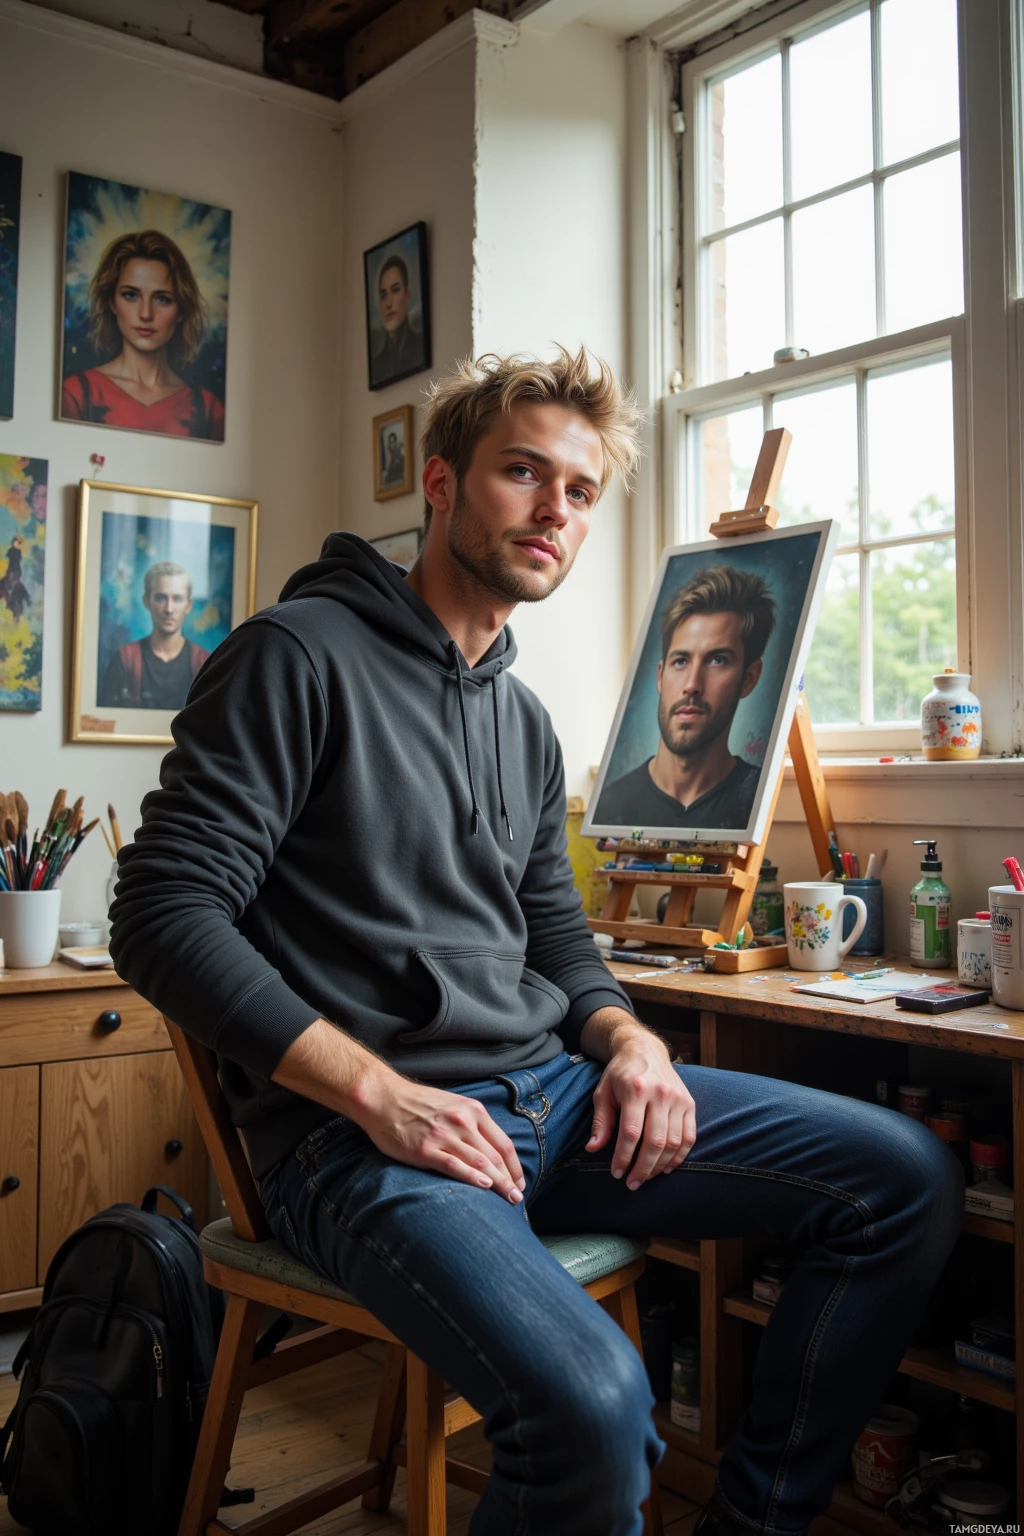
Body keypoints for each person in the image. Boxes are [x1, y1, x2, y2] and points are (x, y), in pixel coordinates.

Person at [110, 348, 962, 1536]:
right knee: (592, 1410)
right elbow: (160, 912)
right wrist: (379, 1094)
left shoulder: (521, 717)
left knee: (902, 1180)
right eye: (523, 472)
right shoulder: (294, 656)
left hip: (551, 1101)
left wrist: (628, 1040)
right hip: (366, 1142)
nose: (554, 509)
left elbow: (554, 932)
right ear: (442, 485)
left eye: (579, 490)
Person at [594, 566, 775, 831]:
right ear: (660, 676)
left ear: (749, 678)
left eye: (717, 660)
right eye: (680, 661)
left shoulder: (756, 798)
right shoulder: (611, 805)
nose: (691, 685)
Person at [61, 229, 225, 441]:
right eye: (131, 295)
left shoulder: (209, 409)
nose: (146, 314)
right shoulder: (75, 394)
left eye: (162, 299)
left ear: (181, 311)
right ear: (112, 302)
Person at [99, 560, 209, 711]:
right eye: (161, 598)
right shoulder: (125, 659)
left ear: (188, 605)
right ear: (146, 601)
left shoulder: (204, 663)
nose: (169, 609)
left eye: (177, 599)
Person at [372, 254, 423, 383]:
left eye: (395, 290)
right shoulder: (377, 366)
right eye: (383, 295)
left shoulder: (419, 349)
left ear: (407, 294)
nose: (388, 303)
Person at [0, 535, 29, 620]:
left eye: (19, 543)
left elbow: (18, 564)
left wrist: (17, 574)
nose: (18, 544)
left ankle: (27, 600)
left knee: (19, 587)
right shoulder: (11, 551)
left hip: (16, 571)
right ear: (13, 542)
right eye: (17, 542)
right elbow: (7, 559)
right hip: (11, 570)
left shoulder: (18, 552)